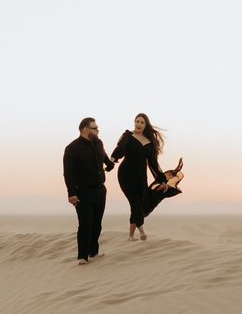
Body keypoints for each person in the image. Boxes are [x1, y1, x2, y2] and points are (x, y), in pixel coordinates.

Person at [63, 117, 115, 264]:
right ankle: (82, 257)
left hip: (100, 190)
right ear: (86, 129)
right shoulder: (72, 148)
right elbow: (68, 173)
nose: (98, 130)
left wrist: (109, 164)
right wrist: (71, 193)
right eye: (95, 128)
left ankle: (94, 252)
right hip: (82, 192)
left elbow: (103, 155)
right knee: (85, 224)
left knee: (97, 223)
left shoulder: (98, 142)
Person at [110, 113, 169, 241]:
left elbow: (153, 164)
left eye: (142, 122)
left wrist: (162, 180)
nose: (139, 124)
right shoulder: (128, 136)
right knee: (134, 201)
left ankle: (131, 236)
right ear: (134, 122)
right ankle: (141, 231)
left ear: (145, 125)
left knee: (139, 202)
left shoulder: (150, 142)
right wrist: (114, 157)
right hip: (126, 174)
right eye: (137, 121)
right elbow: (121, 148)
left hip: (141, 175)